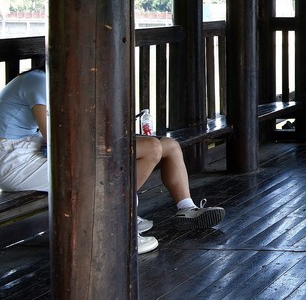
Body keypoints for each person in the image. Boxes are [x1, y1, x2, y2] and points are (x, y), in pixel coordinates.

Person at [0, 60, 224, 255]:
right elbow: (55, 139)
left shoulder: (54, 84)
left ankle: (183, 209)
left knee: (165, 145)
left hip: (30, 150)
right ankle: (117, 228)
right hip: (14, 160)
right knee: (100, 172)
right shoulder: (39, 82)